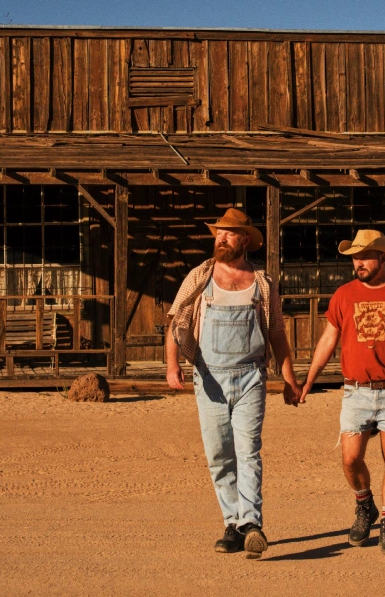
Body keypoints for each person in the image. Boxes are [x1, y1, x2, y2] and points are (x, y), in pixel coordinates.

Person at [165, 207, 302, 559]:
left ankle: (251, 523)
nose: (221, 238)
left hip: (251, 378)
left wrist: (290, 380)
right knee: (219, 454)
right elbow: (175, 321)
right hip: (208, 377)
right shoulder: (200, 277)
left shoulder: (263, 282)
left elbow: (276, 334)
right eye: (218, 233)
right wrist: (171, 366)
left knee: (248, 450)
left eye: (228, 233)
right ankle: (232, 523)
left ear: (245, 239)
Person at [298, 229, 385, 555]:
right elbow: (328, 340)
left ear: (382, 258)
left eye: (363, 256)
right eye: (354, 257)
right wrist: (309, 380)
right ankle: (365, 506)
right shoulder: (344, 295)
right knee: (350, 458)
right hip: (356, 391)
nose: (357, 262)